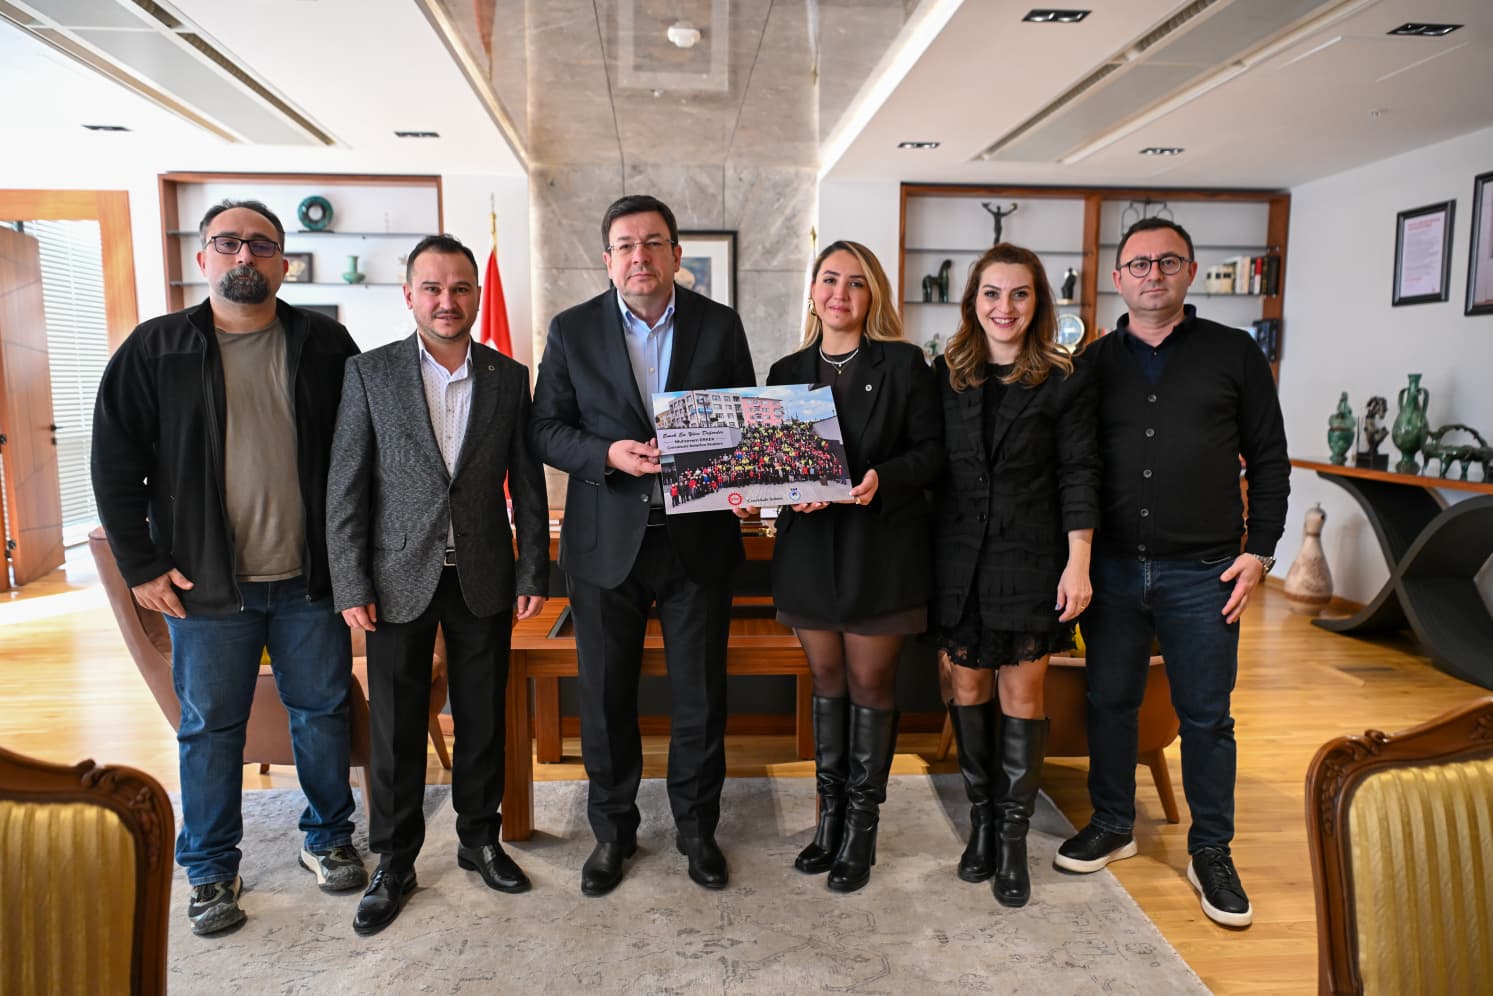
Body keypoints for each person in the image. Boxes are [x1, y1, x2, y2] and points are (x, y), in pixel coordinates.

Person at [91, 199, 364, 936]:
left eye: (261, 245)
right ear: (204, 257)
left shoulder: (326, 344)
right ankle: (211, 868)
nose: (245, 255)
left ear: (283, 263)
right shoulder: (154, 349)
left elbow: (360, 452)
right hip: (206, 585)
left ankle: (328, 838)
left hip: (310, 581)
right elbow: (113, 464)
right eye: (229, 242)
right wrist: (140, 566)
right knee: (211, 729)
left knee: (322, 714)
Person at [1053, 217, 1289, 930]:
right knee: (1110, 701)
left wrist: (1260, 551)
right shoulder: (1090, 364)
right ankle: (1113, 823)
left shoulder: (1234, 352)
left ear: (1188, 271)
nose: (1151, 274)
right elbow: (1073, 463)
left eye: (1166, 262)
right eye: (1138, 264)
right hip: (1113, 568)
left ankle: (1210, 849)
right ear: (1117, 278)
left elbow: (1269, 459)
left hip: (1205, 572)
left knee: (1207, 717)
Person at [529, 194, 756, 896]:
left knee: (699, 697)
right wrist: (607, 454)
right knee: (604, 698)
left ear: (675, 255)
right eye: (625, 245)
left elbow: (743, 422)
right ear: (607, 260)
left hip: (697, 539)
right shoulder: (572, 330)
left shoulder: (720, 325)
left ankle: (697, 829)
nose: (640, 256)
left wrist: (745, 466)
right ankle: (612, 832)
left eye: (653, 243)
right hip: (605, 542)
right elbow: (545, 429)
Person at [326, 235, 549, 935]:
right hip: (395, 577)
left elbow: (528, 484)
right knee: (395, 727)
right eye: (432, 288)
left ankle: (480, 840)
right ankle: (394, 861)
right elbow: (346, 485)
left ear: (476, 296)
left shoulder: (508, 376)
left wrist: (533, 568)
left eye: (459, 288)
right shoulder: (369, 373)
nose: (446, 301)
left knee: (483, 716)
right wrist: (349, 580)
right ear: (409, 296)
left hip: (484, 573)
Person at [759, 240, 942, 894]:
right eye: (830, 280)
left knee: (870, 684)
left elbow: (931, 455)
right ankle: (828, 821)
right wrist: (774, 489)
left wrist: (880, 478)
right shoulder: (785, 371)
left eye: (856, 282)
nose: (840, 293)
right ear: (813, 291)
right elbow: (772, 463)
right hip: (808, 552)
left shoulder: (904, 364)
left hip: (880, 551)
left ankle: (861, 829)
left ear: (872, 296)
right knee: (826, 682)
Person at [931, 244, 1098, 908]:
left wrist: (1079, 560)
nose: (1005, 307)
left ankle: (1011, 840)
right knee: (967, 686)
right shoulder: (946, 375)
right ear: (973, 301)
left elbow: (1079, 473)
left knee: (1022, 696)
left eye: (1019, 293)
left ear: (1038, 302)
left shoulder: (1064, 379)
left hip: (1030, 558)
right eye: (992, 293)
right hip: (957, 559)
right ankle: (980, 824)